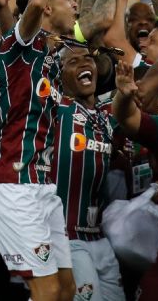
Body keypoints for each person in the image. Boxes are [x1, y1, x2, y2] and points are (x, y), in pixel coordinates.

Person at [0, 0, 114, 301]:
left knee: (67, 290)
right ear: (45, 12)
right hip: (11, 184)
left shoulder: (56, 54)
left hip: (42, 187)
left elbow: (96, 19)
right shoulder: (22, 44)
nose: (72, 1)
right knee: (47, 290)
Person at [50, 42, 126, 301]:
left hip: (100, 239)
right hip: (66, 237)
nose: (84, 63)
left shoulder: (105, 117)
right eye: (73, 62)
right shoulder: (55, 111)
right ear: (58, 76)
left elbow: (146, 89)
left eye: (88, 59)